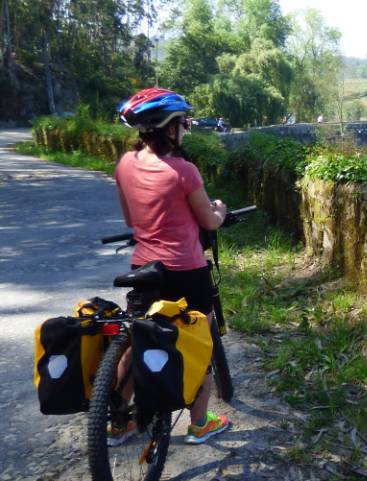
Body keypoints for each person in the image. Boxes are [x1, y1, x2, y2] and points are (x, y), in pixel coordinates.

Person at [111, 87, 231, 446]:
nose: (185, 128)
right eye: (183, 123)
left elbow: (132, 218)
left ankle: (119, 423)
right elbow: (208, 221)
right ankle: (199, 424)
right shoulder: (184, 171)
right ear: (169, 128)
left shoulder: (125, 164)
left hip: (145, 269)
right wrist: (221, 210)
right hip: (186, 271)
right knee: (198, 342)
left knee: (136, 342)